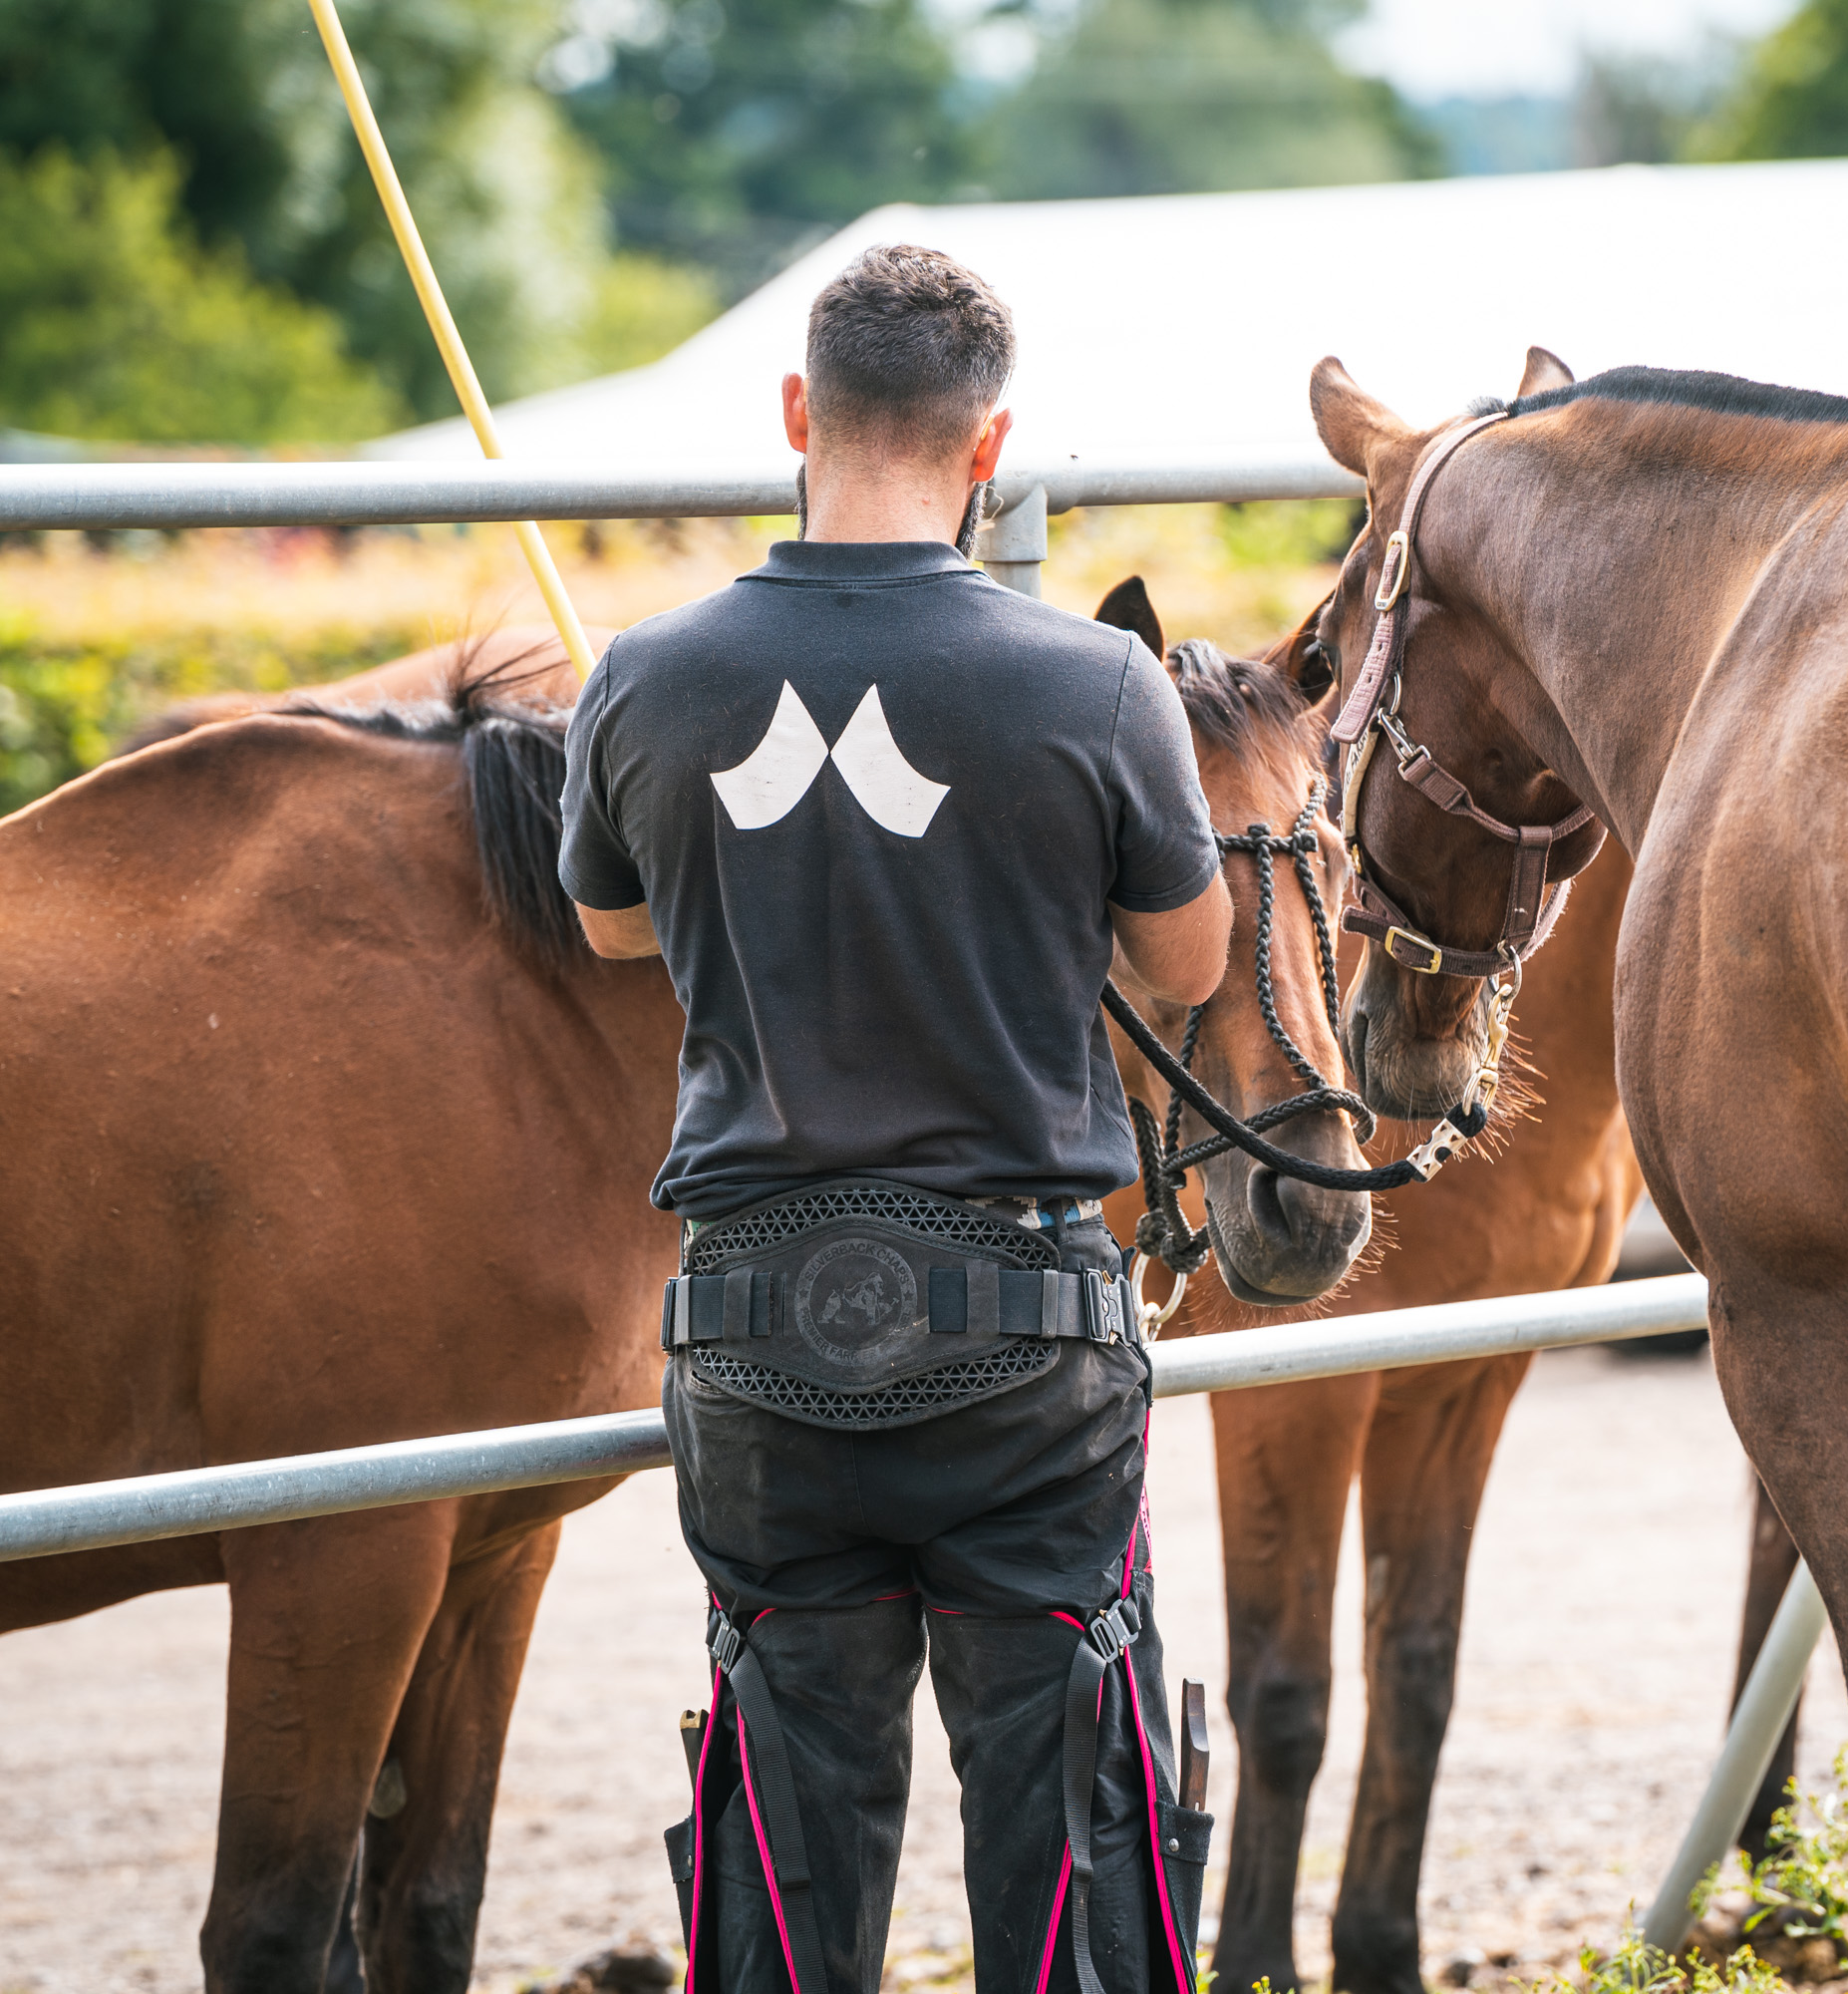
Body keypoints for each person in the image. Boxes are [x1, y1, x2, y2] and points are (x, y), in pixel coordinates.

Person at [558, 243, 1231, 1994]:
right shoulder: (1098, 687)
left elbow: (612, 925)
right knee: (1077, 1820)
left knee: (786, 1835)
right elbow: (1188, 962)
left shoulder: (644, 675)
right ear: (991, 445)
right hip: (1028, 1342)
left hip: (758, 1335)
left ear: (796, 410)